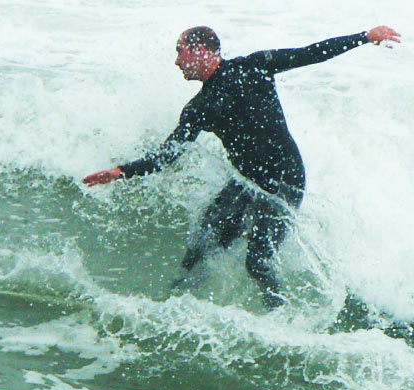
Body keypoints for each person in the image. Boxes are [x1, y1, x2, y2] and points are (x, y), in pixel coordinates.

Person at [83, 26, 401, 308]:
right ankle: (172, 307)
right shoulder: (197, 108)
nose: (177, 61)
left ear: (201, 50)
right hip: (246, 184)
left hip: (285, 180)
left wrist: (364, 37)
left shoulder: (255, 66)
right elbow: (169, 155)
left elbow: (310, 54)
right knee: (200, 247)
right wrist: (121, 171)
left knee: (258, 260)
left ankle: (282, 319)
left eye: (180, 52)